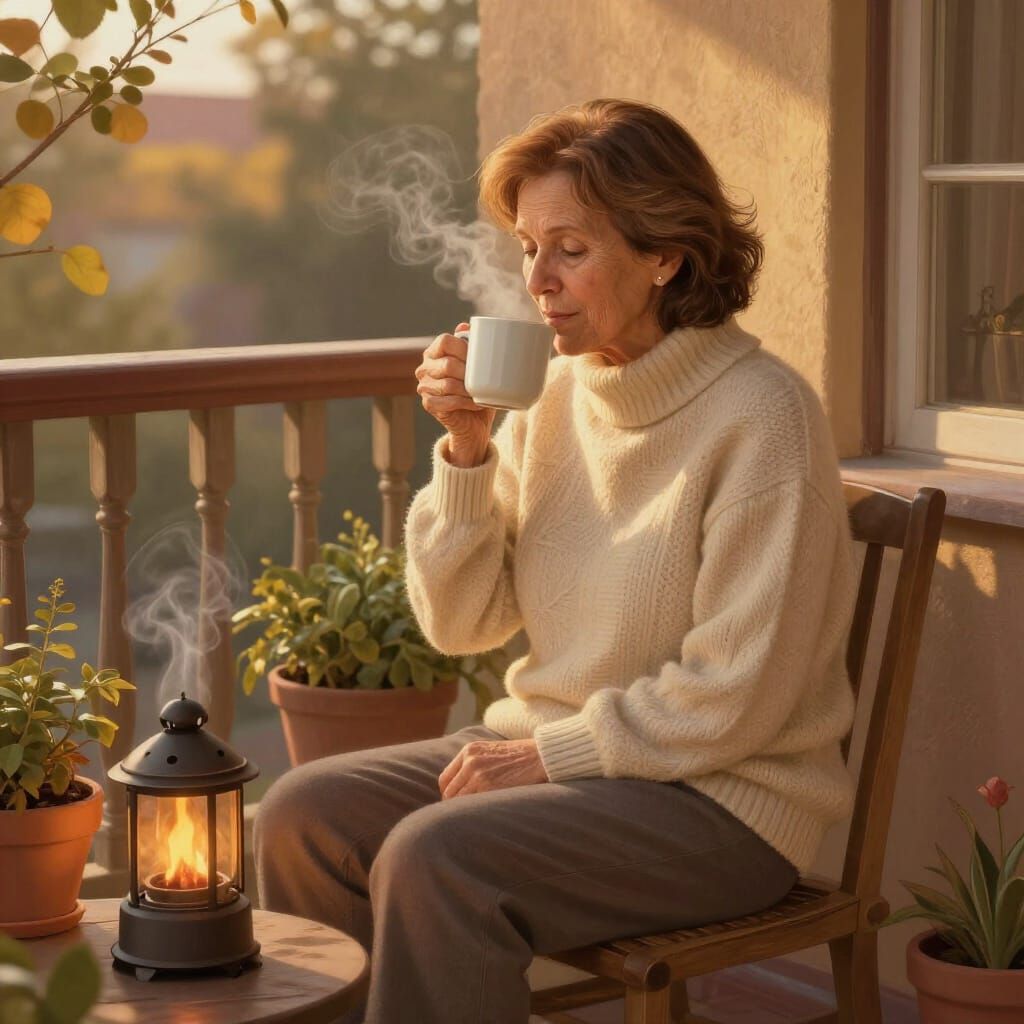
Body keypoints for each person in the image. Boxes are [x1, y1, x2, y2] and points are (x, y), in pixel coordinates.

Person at [255, 98, 859, 1024]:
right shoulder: (551, 395)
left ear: (666, 255)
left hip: (721, 804)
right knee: (306, 816)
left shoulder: (763, 416)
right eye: (529, 248)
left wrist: (551, 754)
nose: (538, 280)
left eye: (570, 249)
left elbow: (738, 693)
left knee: (436, 856)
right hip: (560, 760)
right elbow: (462, 624)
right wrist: (464, 451)